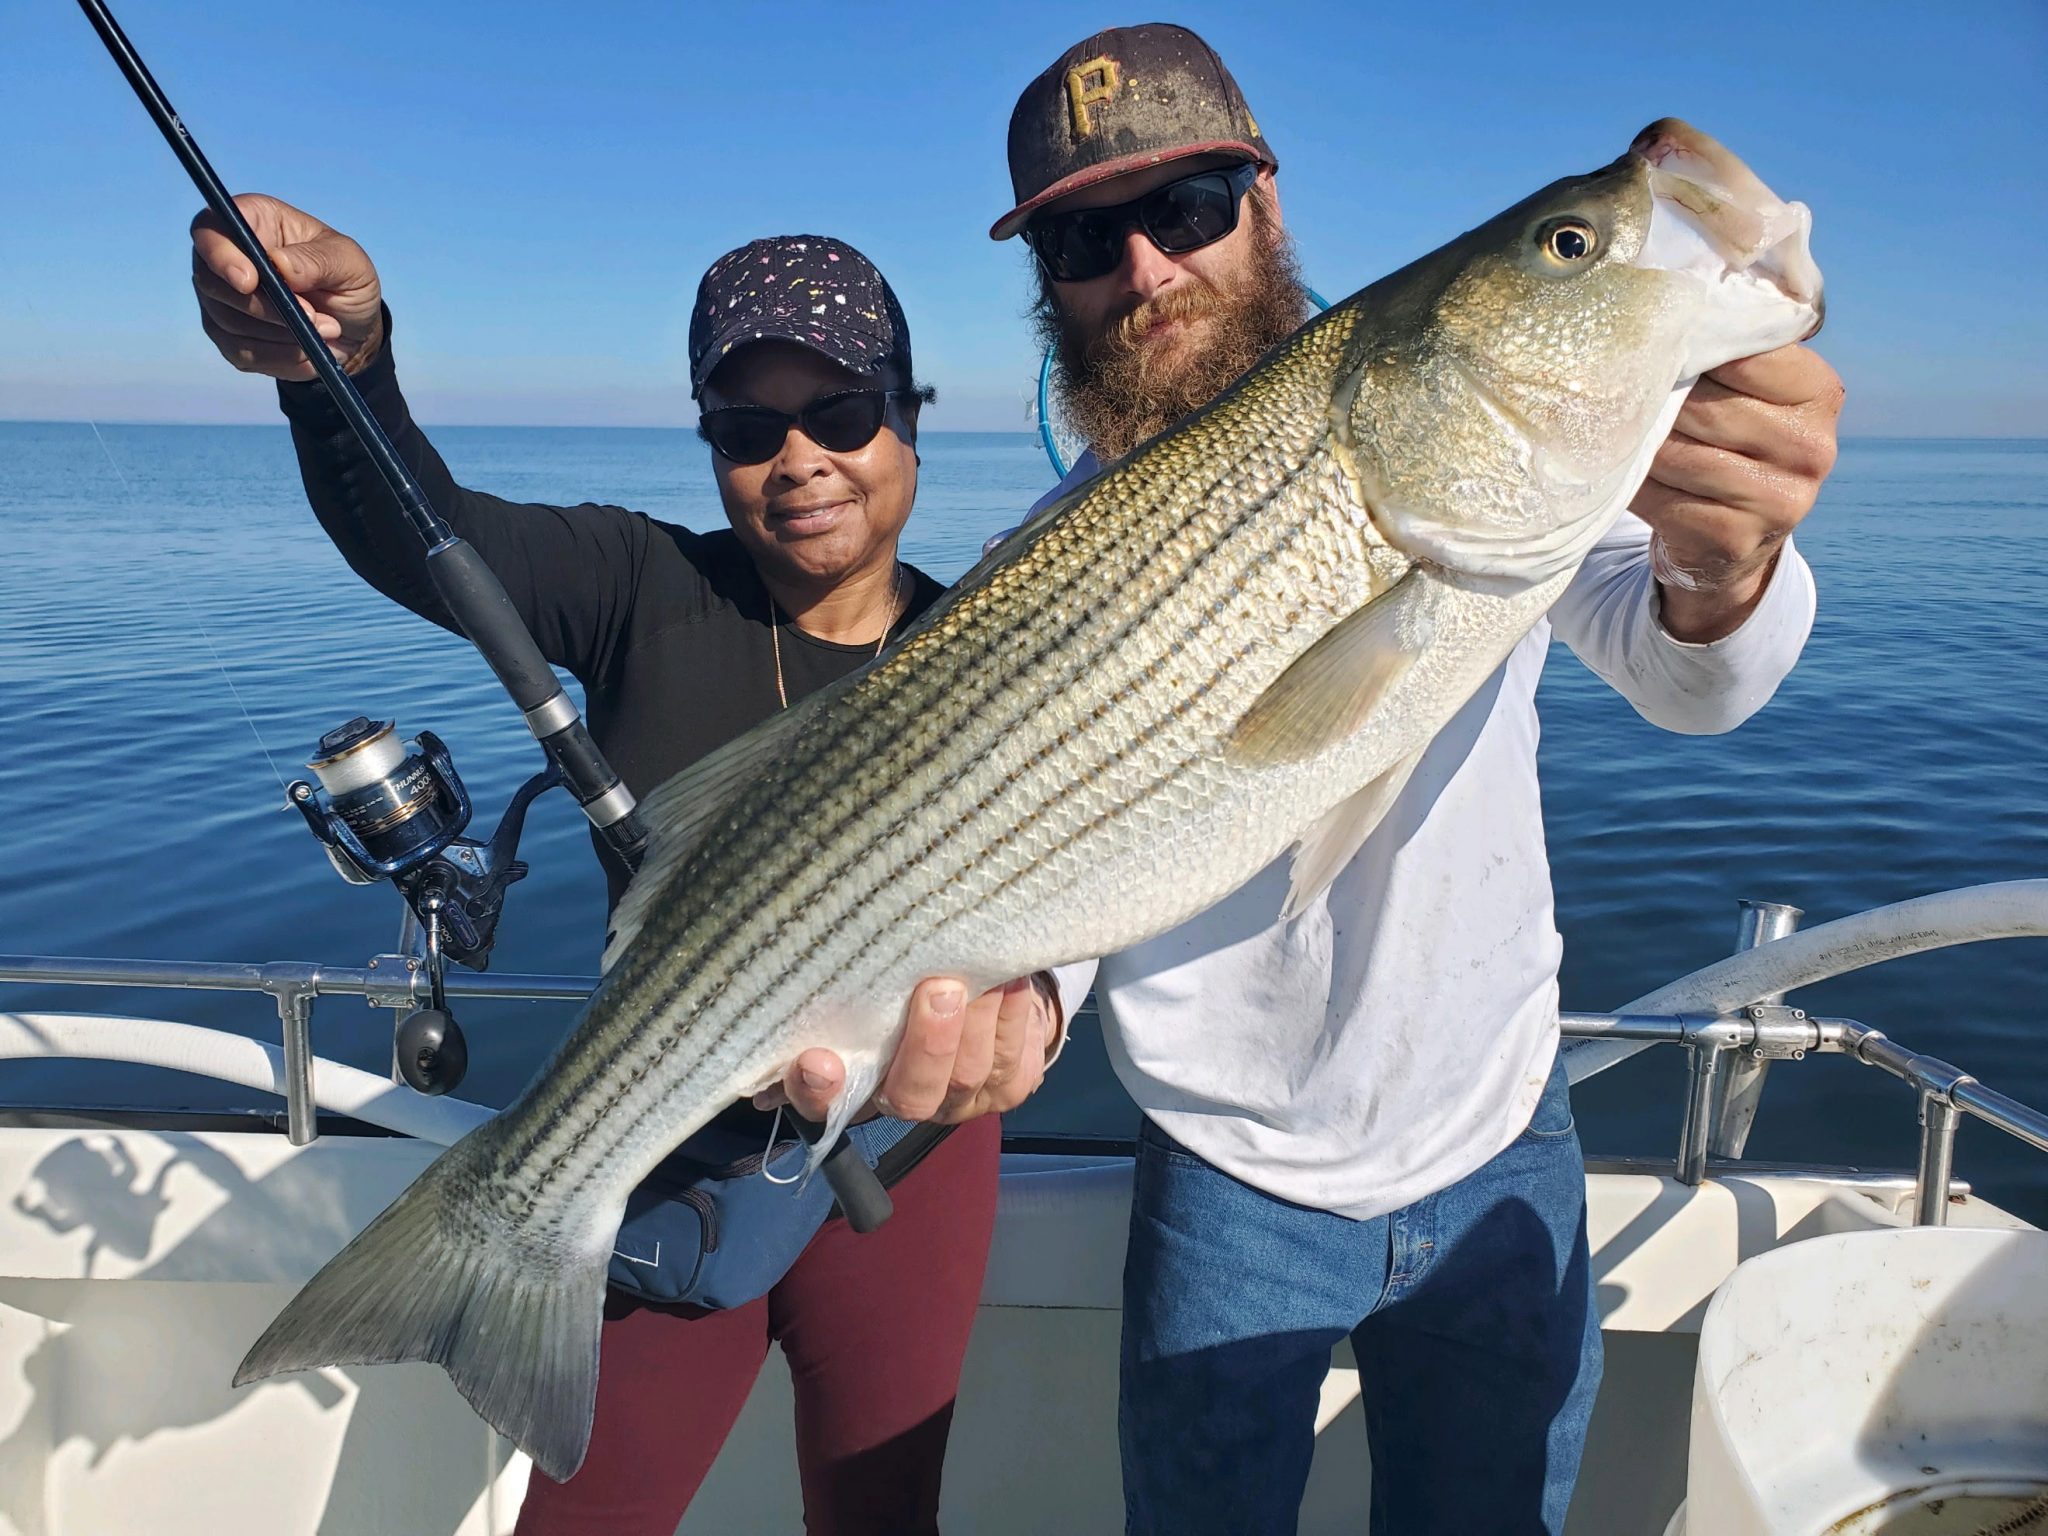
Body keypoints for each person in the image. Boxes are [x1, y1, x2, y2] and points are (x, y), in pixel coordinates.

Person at [990, 23, 1846, 1536]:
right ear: (1046, 281)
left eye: (1186, 209)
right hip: (1220, 1170)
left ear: (1265, 204)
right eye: (1082, 236)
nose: (1145, 269)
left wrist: (1726, 557)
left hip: (1498, 1129)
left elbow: (1691, 676)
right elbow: (1057, 846)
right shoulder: (1032, 582)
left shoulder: (1461, 424)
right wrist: (1025, 998)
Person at [188, 211, 1077, 1534]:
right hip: (664, 1143)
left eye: (840, 412)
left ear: (909, 421)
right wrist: (337, 378)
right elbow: (418, 533)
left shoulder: (982, 647)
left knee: (886, 1513)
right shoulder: (644, 583)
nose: (799, 462)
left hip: (910, 1146)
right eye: (745, 427)